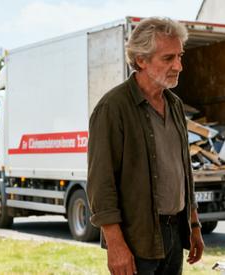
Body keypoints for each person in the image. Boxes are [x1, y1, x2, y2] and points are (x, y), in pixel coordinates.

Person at [87, 17, 203, 275]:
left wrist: (194, 226)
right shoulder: (112, 108)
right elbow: (100, 184)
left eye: (180, 56)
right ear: (141, 60)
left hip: (174, 232)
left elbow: (185, 172)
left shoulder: (174, 105)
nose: (179, 66)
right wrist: (115, 245)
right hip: (136, 238)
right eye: (168, 58)